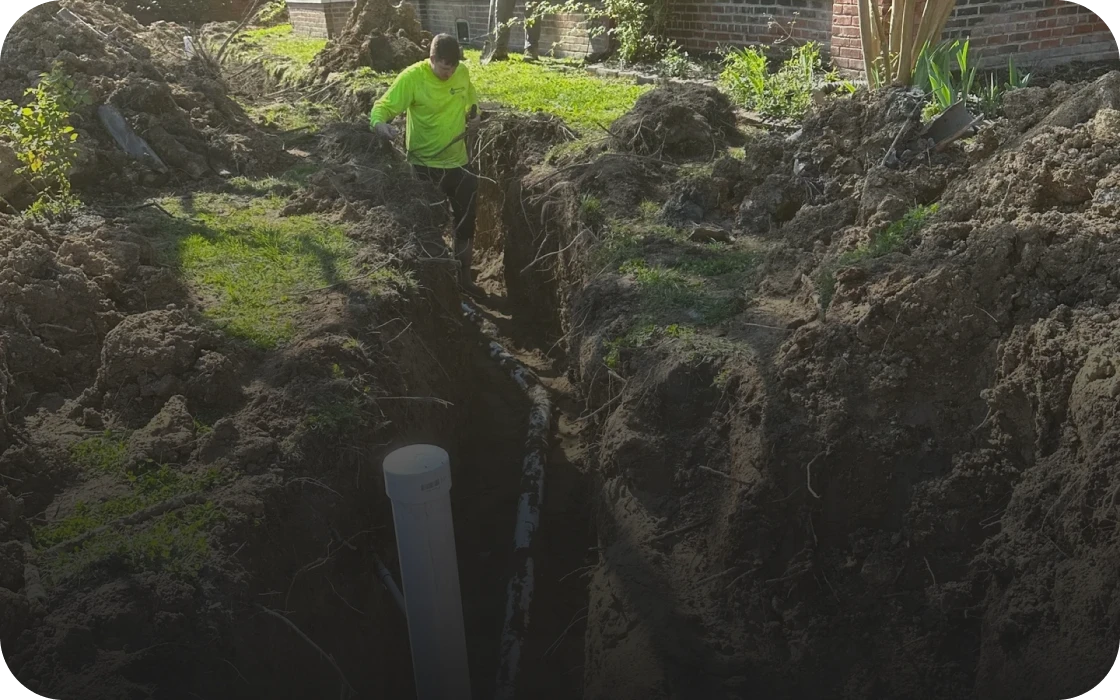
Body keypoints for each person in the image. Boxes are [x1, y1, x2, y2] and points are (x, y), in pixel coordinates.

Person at [369, 33, 484, 297]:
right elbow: (383, 106)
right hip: (424, 167)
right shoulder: (412, 78)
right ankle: (438, 286)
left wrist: (474, 118)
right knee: (429, 225)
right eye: (445, 66)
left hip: (459, 164)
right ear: (432, 59)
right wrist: (379, 124)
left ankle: (464, 279)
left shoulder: (462, 73)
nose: (450, 71)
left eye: (454, 65)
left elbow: (471, 104)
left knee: (466, 224)